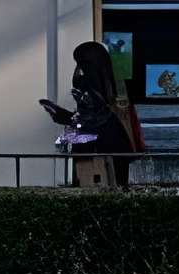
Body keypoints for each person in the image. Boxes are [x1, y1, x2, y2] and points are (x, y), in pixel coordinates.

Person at [53, 39, 144, 188]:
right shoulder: (111, 82)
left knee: (106, 183)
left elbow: (96, 116)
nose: (79, 69)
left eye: (82, 64)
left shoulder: (101, 85)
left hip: (104, 143)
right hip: (103, 142)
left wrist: (70, 118)